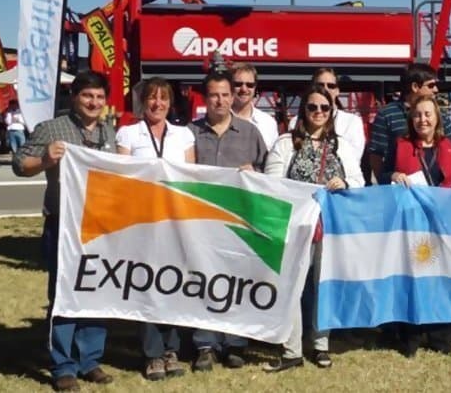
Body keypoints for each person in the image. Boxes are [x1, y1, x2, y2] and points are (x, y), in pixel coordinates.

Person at [12, 72, 117, 392]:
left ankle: (90, 360)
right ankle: (63, 364)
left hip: (99, 226)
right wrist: (44, 160)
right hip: (64, 225)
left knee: (96, 291)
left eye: (99, 97)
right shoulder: (52, 129)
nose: (94, 103)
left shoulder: (108, 131)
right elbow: (19, 164)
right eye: (88, 96)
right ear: (75, 97)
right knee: (64, 294)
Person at [265, 87, 362, 371]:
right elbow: (272, 184)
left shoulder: (342, 146)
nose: (318, 113)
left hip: (331, 226)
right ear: (302, 110)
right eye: (312, 107)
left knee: (323, 286)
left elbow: (359, 181)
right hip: (295, 225)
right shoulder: (285, 143)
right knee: (292, 287)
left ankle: (321, 345)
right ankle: (292, 348)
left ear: (332, 112)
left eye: (324, 108)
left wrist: (345, 183)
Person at [188, 69, 269, 372]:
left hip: (239, 223)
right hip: (203, 223)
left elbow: (270, 177)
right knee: (203, 283)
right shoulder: (190, 133)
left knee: (237, 282)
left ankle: (236, 344)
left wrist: (256, 175)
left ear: (233, 96)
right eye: (214, 95)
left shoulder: (250, 133)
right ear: (205, 98)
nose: (220, 100)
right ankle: (205, 345)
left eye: (225, 94)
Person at [115, 77, 194, 380]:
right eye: (152, 98)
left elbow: (192, 178)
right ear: (142, 102)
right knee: (146, 285)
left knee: (172, 283)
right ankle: (152, 354)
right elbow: (122, 177)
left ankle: (171, 349)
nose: (157, 103)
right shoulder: (128, 133)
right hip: (142, 222)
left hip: (175, 222)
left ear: (171, 103)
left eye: (163, 98)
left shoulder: (184, 135)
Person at [390, 95, 451, 356]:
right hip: (410, 223)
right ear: (411, 119)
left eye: (428, 114)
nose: (423, 119)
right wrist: (394, 175)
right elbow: (384, 175)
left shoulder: (449, 146)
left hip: (441, 224)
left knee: (440, 279)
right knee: (412, 277)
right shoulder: (400, 145)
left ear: (437, 118)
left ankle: (440, 336)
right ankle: (409, 337)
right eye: (418, 114)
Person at [369, 64, 451, 185]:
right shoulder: (386, 115)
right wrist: (387, 180)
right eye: (431, 85)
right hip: (404, 194)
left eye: (427, 114)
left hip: (442, 195)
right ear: (415, 87)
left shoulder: (441, 116)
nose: (436, 90)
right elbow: (376, 154)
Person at [307, 67, 368, 182]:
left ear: (337, 90)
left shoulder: (352, 122)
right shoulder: (296, 122)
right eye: (321, 85)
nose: (326, 89)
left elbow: (354, 159)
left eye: (331, 85)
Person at [230, 62, 279, 149]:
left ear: (255, 87)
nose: (244, 89)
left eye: (249, 85)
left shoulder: (268, 122)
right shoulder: (219, 120)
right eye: (238, 84)